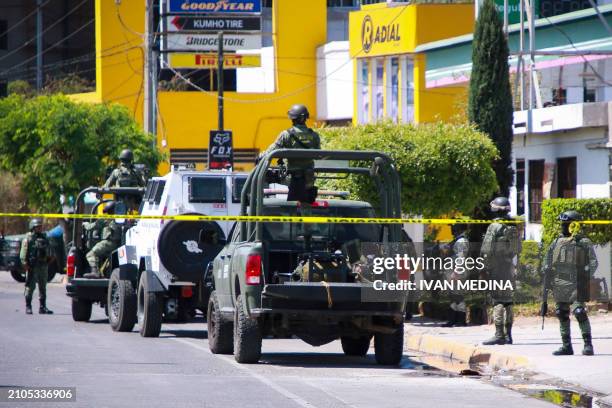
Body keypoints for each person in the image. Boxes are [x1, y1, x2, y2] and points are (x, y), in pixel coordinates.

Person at [541, 210, 598, 356]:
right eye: (562, 224)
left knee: (579, 312)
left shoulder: (583, 242)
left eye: (566, 224)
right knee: (561, 313)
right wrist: (546, 271)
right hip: (560, 283)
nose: (563, 226)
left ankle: (588, 344)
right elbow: (547, 261)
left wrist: (585, 276)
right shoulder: (556, 242)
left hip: (576, 282)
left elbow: (593, 263)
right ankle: (567, 346)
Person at [261, 104, 321, 203]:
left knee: (291, 208)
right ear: (305, 118)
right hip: (309, 179)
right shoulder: (314, 135)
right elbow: (318, 155)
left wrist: (261, 155)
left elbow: (271, 151)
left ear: (293, 119)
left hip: (294, 178)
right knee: (307, 205)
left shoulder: (286, 135)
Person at [481, 197, 520, 345]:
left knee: (497, 300)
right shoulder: (512, 226)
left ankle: (498, 334)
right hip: (509, 267)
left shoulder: (494, 226)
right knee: (508, 302)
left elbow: (486, 249)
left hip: (496, 267)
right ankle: (508, 335)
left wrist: (484, 268)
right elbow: (518, 249)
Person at [20, 219, 53, 315]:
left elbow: (49, 250)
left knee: (43, 287)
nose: (40, 228)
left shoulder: (45, 237)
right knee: (30, 287)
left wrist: (50, 259)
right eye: (37, 227)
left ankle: (42, 307)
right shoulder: (28, 239)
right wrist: (25, 264)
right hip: (32, 266)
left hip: (43, 265)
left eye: (40, 226)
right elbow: (23, 253)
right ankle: (28, 306)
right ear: (33, 228)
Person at [84, 202, 122, 279]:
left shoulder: (105, 219)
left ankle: (95, 272)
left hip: (108, 243)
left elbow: (90, 227)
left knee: (90, 254)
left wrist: (85, 224)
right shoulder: (121, 218)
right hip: (118, 244)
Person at [442, 223, 470, 327]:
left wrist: (456, 272)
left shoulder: (461, 241)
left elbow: (461, 257)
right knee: (453, 296)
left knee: (459, 296)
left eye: (454, 226)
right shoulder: (456, 240)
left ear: (459, 228)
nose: (452, 229)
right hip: (453, 271)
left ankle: (461, 320)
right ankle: (452, 319)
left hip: (458, 272)